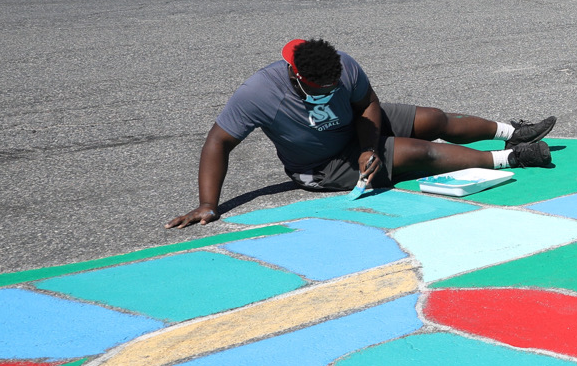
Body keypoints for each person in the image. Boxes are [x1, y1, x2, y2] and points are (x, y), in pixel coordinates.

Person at [168, 38, 556, 227]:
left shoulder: (343, 67)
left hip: (357, 128)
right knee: (416, 150)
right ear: (294, 75)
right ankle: (511, 158)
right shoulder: (259, 93)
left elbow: (367, 102)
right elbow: (218, 141)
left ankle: (512, 132)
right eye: (320, 88)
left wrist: (367, 146)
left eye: (334, 83)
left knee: (433, 118)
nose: (330, 89)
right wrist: (208, 204)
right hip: (322, 164)